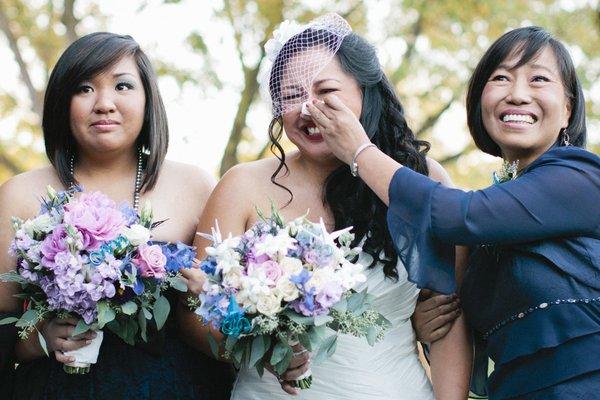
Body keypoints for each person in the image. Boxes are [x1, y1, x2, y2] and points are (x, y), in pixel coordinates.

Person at [180, 14, 471, 400]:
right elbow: (193, 316)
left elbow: (448, 320)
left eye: (325, 90)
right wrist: (257, 344)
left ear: (366, 92)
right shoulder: (242, 185)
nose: (307, 108)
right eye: (291, 95)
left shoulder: (422, 182)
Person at [314, 25, 600, 399]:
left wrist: (360, 152)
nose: (517, 94)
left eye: (539, 79)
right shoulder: (494, 222)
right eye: (501, 78)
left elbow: (458, 216)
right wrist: (427, 326)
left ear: (567, 110)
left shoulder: (580, 177)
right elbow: (478, 339)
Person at [0, 32, 233, 399]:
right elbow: (4, 322)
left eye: (123, 86)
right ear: (63, 102)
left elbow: (218, 317)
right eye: (84, 88)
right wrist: (37, 340)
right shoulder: (20, 193)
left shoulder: (197, 185)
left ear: (147, 100)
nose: (104, 103)